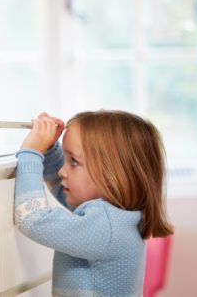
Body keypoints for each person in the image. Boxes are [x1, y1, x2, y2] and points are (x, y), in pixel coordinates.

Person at [14, 110, 174, 297]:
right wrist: (49, 150)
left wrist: (31, 154)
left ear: (112, 174)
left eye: (73, 161)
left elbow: (32, 218)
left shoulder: (106, 227)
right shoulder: (116, 218)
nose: (62, 172)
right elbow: (63, 189)